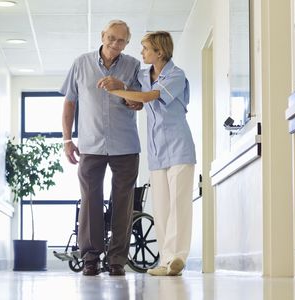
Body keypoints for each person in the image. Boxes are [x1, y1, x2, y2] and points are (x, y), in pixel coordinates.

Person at [108, 31, 196, 276]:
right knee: (161, 208)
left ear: (160, 51)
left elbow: (148, 97)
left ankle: (178, 258)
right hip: (157, 151)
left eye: (146, 48)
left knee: (179, 206)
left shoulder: (176, 75)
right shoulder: (143, 75)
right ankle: (165, 260)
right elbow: (138, 99)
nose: (142, 52)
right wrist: (128, 95)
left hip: (179, 147)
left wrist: (118, 90)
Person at [60, 20, 142, 276]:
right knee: (90, 201)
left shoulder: (133, 65)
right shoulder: (81, 63)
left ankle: (117, 259)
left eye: (121, 40)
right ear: (102, 36)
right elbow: (70, 103)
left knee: (123, 203)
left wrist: (123, 88)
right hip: (90, 145)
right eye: (111, 38)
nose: (115, 44)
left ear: (127, 43)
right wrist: (66, 139)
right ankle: (91, 258)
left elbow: (139, 104)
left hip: (125, 145)